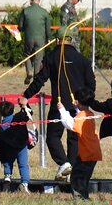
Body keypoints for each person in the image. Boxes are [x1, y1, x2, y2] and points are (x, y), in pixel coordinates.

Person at [22, 28, 96, 181]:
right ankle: (72, 170)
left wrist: (26, 95)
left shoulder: (51, 57)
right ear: (71, 40)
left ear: (57, 41)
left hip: (59, 106)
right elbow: (91, 83)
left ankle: (64, 163)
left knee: (53, 137)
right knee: (74, 138)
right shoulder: (82, 59)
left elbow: (40, 80)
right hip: (78, 107)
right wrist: (84, 101)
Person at [0, 99, 32, 185]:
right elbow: (29, 114)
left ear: (1, 113)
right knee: (23, 164)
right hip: (21, 145)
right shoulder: (19, 117)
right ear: (13, 110)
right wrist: (24, 106)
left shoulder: (3, 125)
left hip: (9, 146)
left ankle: (7, 175)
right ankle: (25, 182)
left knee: (7, 160)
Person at [17, 0, 50, 80]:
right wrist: (48, 38)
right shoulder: (44, 12)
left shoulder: (25, 11)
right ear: (38, 1)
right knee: (38, 59)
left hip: (29, 38)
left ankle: (29, 71)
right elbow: (47, 27)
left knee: (27, 55)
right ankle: (37, 77)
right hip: (41, 39)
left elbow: (20, 25)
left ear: (31, 1)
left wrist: (23, 30)